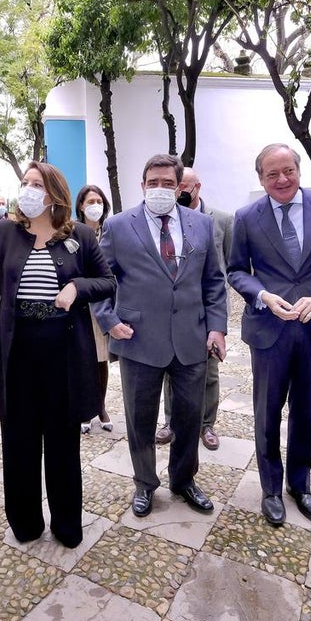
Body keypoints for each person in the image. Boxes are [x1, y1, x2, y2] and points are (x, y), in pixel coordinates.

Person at [0, 162, 116, 548]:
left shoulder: (80, 235)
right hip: (15, 350)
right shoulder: (3, 232)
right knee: (18, 441)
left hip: (63, 352)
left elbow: (107, 281)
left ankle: (67, 523)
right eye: (24, 183)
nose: (28, 190)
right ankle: (25, 522)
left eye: (36, 184)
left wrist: (77, 288)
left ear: (54, 193)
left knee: (62, 442)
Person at [228, 145, 311, 526]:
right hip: (269, 330)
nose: (282, 180)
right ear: (261, 179)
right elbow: (236, 269)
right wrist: (262, 295)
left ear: (298, 170)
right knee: (267, 413)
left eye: (288, 171)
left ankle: (300, 485)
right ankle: (271, 488)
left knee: (307, 411)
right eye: (272, 175)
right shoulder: (247, 217)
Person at [94, 154, 228, 518]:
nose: (159, 189)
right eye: (152, 183)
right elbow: (103, 280)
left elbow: (214, 280)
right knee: (140, 419)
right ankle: (145, 483)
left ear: (180, 187)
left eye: (168, 183)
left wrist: (217, 326)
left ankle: (184, 480)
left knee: (189, 417)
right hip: (138, 338)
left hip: (192, 338)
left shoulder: (201, 225)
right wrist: (109, 320)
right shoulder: (120, 226)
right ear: (142, 186)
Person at [157, 167, 235, 451]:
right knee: (170, 367)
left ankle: (206, 424)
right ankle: (170, 421)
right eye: (174, 187)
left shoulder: (222, 220)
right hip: (175, 310)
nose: (177, 193)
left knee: (209, 371)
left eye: (182, 186)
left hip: (208, 311)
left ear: (197, 187)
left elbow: (229, 266)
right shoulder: (166, 218)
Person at [75, 183, 115, 435]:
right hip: (79, 304)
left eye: (99, 202)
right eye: (90, 202)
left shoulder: (110, 231)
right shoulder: (71, 232)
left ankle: (100, 407)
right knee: (82, 359)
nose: (95, 207)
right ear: (80, 206)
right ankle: (85, 408)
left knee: (101, 360)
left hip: (104, 304)